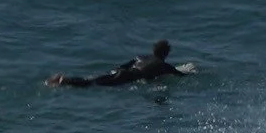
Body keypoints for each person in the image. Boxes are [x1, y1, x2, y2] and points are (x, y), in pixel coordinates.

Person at [48, 39, 184, 88]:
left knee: (92, 80)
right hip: (129, 78)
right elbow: (180, 75)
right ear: (166, 53)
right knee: (92, 84)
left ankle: (64, 80)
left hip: (120, 72)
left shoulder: (142, 57)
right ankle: (63, 81)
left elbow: (124, 65)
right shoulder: (164, 65)